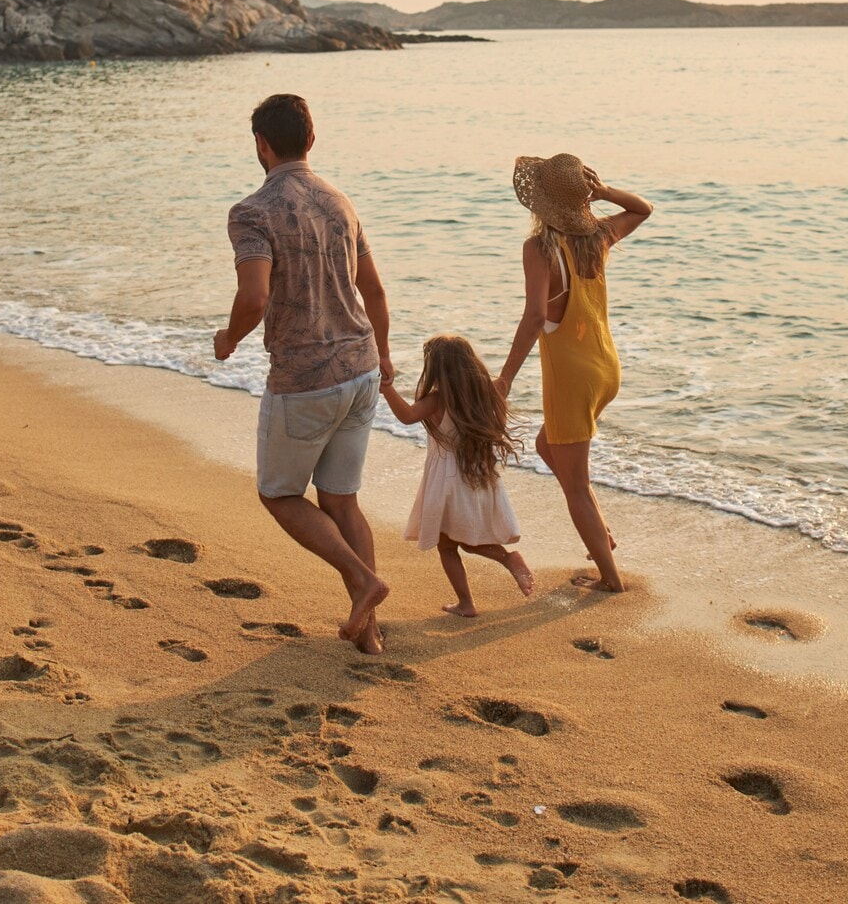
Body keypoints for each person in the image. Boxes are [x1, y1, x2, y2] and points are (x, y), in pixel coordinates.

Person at [215, 94, 393, 654]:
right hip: (361, 367)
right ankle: (370, 638)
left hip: (306, 377)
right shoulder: (342, 203)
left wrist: (229, 338)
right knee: (342, 500)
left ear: (261, 145)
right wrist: (384, 359)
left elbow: (255, 296)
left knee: (280, 494)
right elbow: (376, 291)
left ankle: (364, 582)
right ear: (310, 140)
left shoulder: (252, 211)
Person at [495, 154, 653, 592]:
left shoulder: (540, 249)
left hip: (572, 378)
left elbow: (532, 319)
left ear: (541, 203)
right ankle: (600, 535)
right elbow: (642, 208)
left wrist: (505, 379)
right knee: (549, 446)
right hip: (606, 369)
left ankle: (610, 578)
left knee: (577, 487)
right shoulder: (598, 237)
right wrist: (603, 194)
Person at [382, 334, 534, 617]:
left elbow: (406, 415)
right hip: (479, 473)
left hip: (447, 480)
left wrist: (386, 388)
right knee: (463, 538)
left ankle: (473, 595)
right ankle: (484, 583)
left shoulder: (437, 400)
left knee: (448, 545)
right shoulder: (489, 393)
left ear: (436, 369)